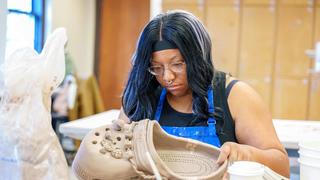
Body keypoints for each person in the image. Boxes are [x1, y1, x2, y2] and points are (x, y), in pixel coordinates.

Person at [117, 10, 289, 177]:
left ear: (198, 58)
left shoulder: (236, 96)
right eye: (156, 68)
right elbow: (117, 157)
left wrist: (248, 154)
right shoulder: (141, 97)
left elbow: (282, 167)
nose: (167, 77)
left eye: (177, 64)